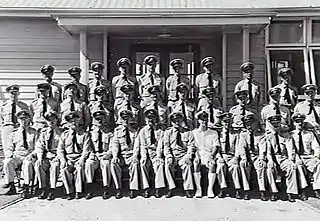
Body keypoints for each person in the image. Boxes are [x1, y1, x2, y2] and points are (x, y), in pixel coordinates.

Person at [57, 111, 94, 200]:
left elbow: (86, 150)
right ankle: (69, 191)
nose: (73, 123)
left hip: (79, 157)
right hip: (69, 157)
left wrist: (82, 160)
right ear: (68, 123)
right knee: (64, 169)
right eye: (71, 121)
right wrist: (63, 161)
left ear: (79, 121)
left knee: (79, 168)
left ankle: (79, 191)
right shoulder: (64, 135)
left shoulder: (85, 134)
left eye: (75, 120)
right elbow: (60, 150)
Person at [3, 110, 38, 198]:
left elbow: (37, 147)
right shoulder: (14, 134)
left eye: (25, 118)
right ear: (18, 120)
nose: (23, 121)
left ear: (29, 119)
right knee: (7, 162)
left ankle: (25, 187)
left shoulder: (34, 133)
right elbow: (9, 148)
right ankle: (11, 185)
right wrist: (9, 155)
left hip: (29, 155)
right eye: (21, 119)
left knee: (27, 164)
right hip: (17, 155)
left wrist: (31, 155)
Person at [264, 114, 299, 202]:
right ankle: (274, 192)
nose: (276, 126)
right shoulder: (268, 136)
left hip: (283, 158)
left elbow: (291, 149)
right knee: (270, 169)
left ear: (280, 123)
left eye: (277, 124)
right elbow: (268, 151)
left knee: (292, 167)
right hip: (272, 157)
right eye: (274, 124)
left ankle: (290, 192)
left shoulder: (286, 135)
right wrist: (270, 161)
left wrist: (291, 160)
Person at [163, 111, 195, 198]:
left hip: (183, 155)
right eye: (174, 121)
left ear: (182, 120)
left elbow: (191, 146)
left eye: (179, 120)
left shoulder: (188, 132)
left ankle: (188, 189)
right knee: (168, 165)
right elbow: (166, 146)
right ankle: (171, 188)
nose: (177, 123)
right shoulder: (168, 132)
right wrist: (169, 156)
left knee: (187, 165)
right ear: (171, 122)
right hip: (173, 155)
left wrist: (188, 156)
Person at [111, 108, 140, 199]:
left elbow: (137, 145)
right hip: (122, 155)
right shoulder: (117, 131)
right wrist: (115, 156)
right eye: (124, 119)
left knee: (134, 164)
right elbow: (115, 144)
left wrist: (135, 155)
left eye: (128, 118)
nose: (126, 121)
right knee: (114, 163)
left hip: (132, 154)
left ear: (132, 118)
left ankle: (133, 188)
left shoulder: (136, 130)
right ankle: (118, 188)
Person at [238, 114, 268, 201]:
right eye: (247, 124)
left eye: (251, 123)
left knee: (260, 166)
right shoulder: (243, 135)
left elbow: (262, 148)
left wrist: (261, 158)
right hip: (248, 156)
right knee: (243, 165)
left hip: (257, 156)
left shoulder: (261, 134)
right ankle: (246, 190)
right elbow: (242, 147)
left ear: (256, 123)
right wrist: (244, 158)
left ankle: (262, 191)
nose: (249, 126)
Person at [192, 110, 222, 198]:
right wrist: (196, 155)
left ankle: (210, 189)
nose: (204, 122)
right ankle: (199, 189)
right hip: (199, 153)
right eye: (201, 120)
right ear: (198, 121)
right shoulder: (194, 133)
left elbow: (216, 146)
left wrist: (211, 156)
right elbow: (193, 146)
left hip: (209, 153)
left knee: (212, 164)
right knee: (196, 163)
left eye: (205, 120)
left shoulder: (213, 133)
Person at [34, 110, 62, 200]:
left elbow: (64, 147)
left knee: (54, 166)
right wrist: (40, 158)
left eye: (53, 119)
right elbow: (40, 146)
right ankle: (43, 188)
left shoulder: (62, 132)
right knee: (39, 165)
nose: (51, 122)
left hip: (57, 156)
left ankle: (52, 189)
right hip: (46, 156)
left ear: (57, 120)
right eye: (48, 120)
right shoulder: (43, 133)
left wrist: (58, 157)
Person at [291, 113, 320, 199]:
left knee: (319, 164)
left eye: (301, 122)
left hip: (309, 157)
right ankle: (303, 190)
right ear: (294, 123)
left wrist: (316, 156)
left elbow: (316, 147)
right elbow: (291, 149)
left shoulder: (309, 134)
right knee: (299, 166)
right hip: (298, 157)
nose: (299, 124)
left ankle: (317, 189)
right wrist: (296, 158)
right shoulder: (291, 135)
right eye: (297, 122)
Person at [138, 108, 166, 198]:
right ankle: (146, 188)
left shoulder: (160, 130)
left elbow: (160, 145)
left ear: (156, 119)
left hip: (156, 152)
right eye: (148, 118)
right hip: (147, 152)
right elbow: (143, 145)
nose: (150, 120)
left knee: (159, 164)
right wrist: (144, 156)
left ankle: (158, 188)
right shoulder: (143, 131)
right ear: (145, 119)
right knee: (143, 164)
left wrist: (158, 156)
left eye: (153, 117)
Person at [87, 109, 114, 199]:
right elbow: (88, 146)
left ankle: (106, 188)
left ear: (105, 119)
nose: (99, 121)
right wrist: (91, 155)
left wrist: (108, 154)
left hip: (104, 154)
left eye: (101, 119)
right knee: (89, 164)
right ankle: (90, 188)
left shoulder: (109, 133)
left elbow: (112, 147)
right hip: (94, 155)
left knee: (106, 164)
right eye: (97, 119)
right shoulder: (91, 133)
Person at [215, 112, 242, 199]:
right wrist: (219, 157)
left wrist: (236, 157)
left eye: (229, 122)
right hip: (222, 155)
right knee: (220, 166)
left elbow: (238, 147)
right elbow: (217, 147)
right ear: (221, 122)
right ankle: (223, 188)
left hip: (232, 156)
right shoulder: (218, 134)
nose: (227, 124)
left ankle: (237, 189)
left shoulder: (235, 134)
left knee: (235, 167)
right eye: (225, 122)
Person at [0, 84, 29, 158]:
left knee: (20, 148)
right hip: (8, 128)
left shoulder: (23, 106)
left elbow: (29, 118)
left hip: (19, 128)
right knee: (8, 150)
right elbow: (2, 120)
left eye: (16, 93)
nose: (14, 95)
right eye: (12, 93)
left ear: (18, 94)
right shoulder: (4, 106)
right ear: (8, 94)